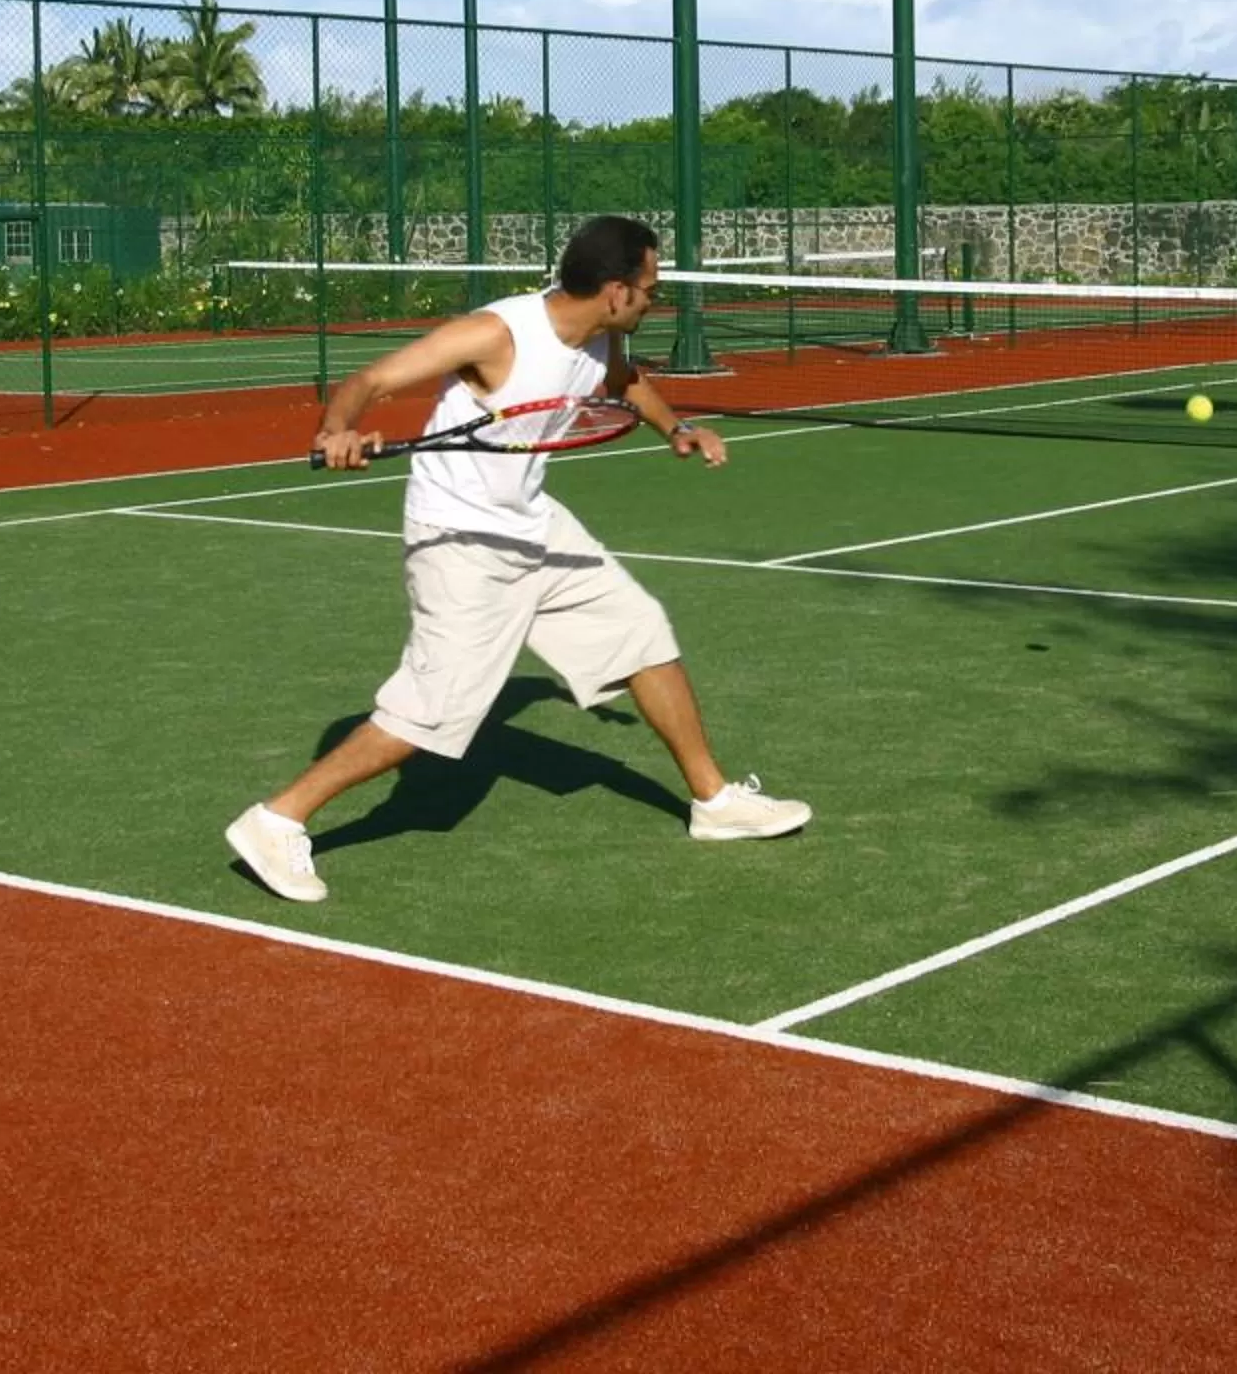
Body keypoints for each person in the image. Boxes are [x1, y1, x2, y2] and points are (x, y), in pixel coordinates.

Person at [225, 214, 810, 903]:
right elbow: (370, 380)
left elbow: (624, 382)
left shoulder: (602, 337)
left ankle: (714, 802)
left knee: (642, 632)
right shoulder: (497, 333)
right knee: (433, 711)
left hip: (533, 524)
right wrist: (337, 429)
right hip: (460, 540)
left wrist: (676, 427)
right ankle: (277, 820)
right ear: (616, 290)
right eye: (651, 289)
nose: (656, 301)